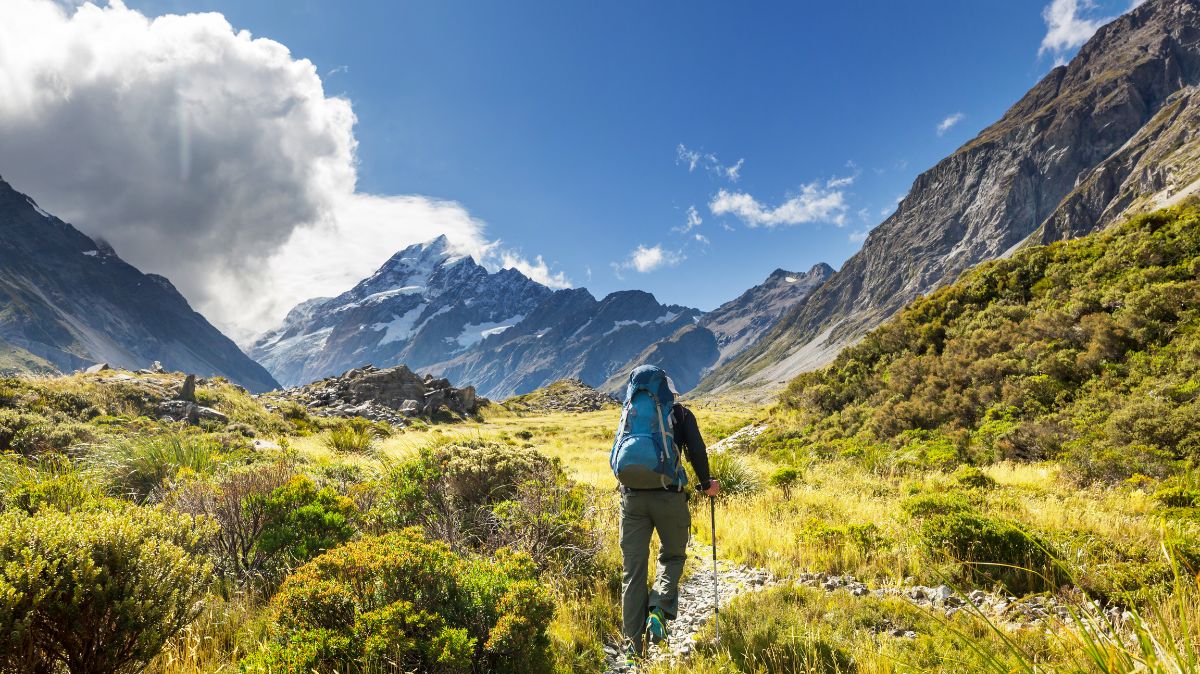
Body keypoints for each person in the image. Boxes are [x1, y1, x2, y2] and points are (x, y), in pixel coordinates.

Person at [616, 371, 719, 664]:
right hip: (669, 495)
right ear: (670, 391)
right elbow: (697, 452)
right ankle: (659, 609)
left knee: (632, 572)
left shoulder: (630, 412)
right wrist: (705, 484)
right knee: (672, 556)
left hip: (632, 498)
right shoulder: (682, 414)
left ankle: (633, 652)